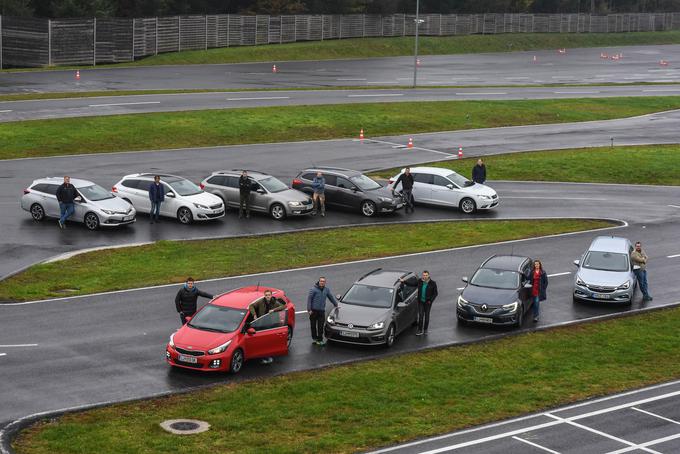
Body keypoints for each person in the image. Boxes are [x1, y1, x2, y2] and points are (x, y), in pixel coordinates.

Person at [307, 277, 338, 346]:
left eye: (323, 281)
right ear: (318, 281)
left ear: (325, 283)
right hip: (313, 311)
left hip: (321, 311)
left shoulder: (326, 290)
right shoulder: (313, 289)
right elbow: (309, 300)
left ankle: (320, 340)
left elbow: (331, 297)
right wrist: (309, 310)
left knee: (320, 326)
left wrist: (336, 305)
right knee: (313, 326)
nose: (322, 282)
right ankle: (315, 339)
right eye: (321, 281)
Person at [408, 271, 438, 336]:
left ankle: (425, 330)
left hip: (428, 303)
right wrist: (404, 281)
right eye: (423, 275)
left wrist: (431, 300)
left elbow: (435, 293)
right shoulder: (420, 281)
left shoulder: (433, 283)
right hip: (421, 302)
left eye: (426, 275)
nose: (425, 276)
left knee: (427, 317)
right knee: (421, 316)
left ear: (429, 275)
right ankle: (419, 330)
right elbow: (412, 284)